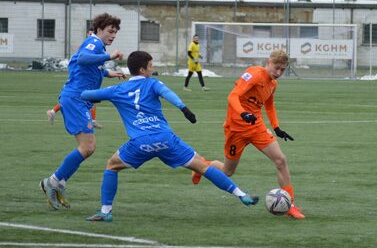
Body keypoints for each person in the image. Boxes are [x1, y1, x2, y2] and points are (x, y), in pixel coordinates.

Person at [81, 51, 259, 222]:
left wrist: (93, 78)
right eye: (150, 66)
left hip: (140, 143)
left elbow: (86, 95)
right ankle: (241, 195)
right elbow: (169, 94)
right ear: (142, 70)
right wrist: (184, 109)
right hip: (165, 139)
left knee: (112, 166)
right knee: (202, 166)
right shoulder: (153, 83)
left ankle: (105, 212)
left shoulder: (117, 89)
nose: (152, 69)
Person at [191, 50, 305, 219]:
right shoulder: (254, 74)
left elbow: (269, 106)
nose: (279, 73)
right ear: (269, 62)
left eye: (282, 70)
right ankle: (202, 166)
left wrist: (276, 127)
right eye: (276, 68)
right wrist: (243, 113)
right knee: (227, 171)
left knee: (280, 160)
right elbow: (233, 96)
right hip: (235, 130)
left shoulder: (273, 85)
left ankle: (290, 205)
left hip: (256, 128)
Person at [39, 13, 125, 210]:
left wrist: (107, 72)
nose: (113, 36)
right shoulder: (94, 43)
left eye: (115, 33)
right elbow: (84, 59)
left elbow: (84, 64)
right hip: (76, 99)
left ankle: (58, 181)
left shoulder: (96, 44)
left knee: (88, 148)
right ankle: (52, 182)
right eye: (110, 31)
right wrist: (109, 57)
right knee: (88, 147)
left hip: (80, 100)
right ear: (99, 30)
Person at [46, 28, 104, 129]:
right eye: (89, 34)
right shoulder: (87, 48)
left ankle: (53, 112)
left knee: (85, 99)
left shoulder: (94, 47)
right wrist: (108, 57)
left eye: (92, 34)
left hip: (86, 81)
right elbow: (80, 62)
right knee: (75, 99)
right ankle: (91, 121)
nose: (91, 36)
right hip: (80, 81)